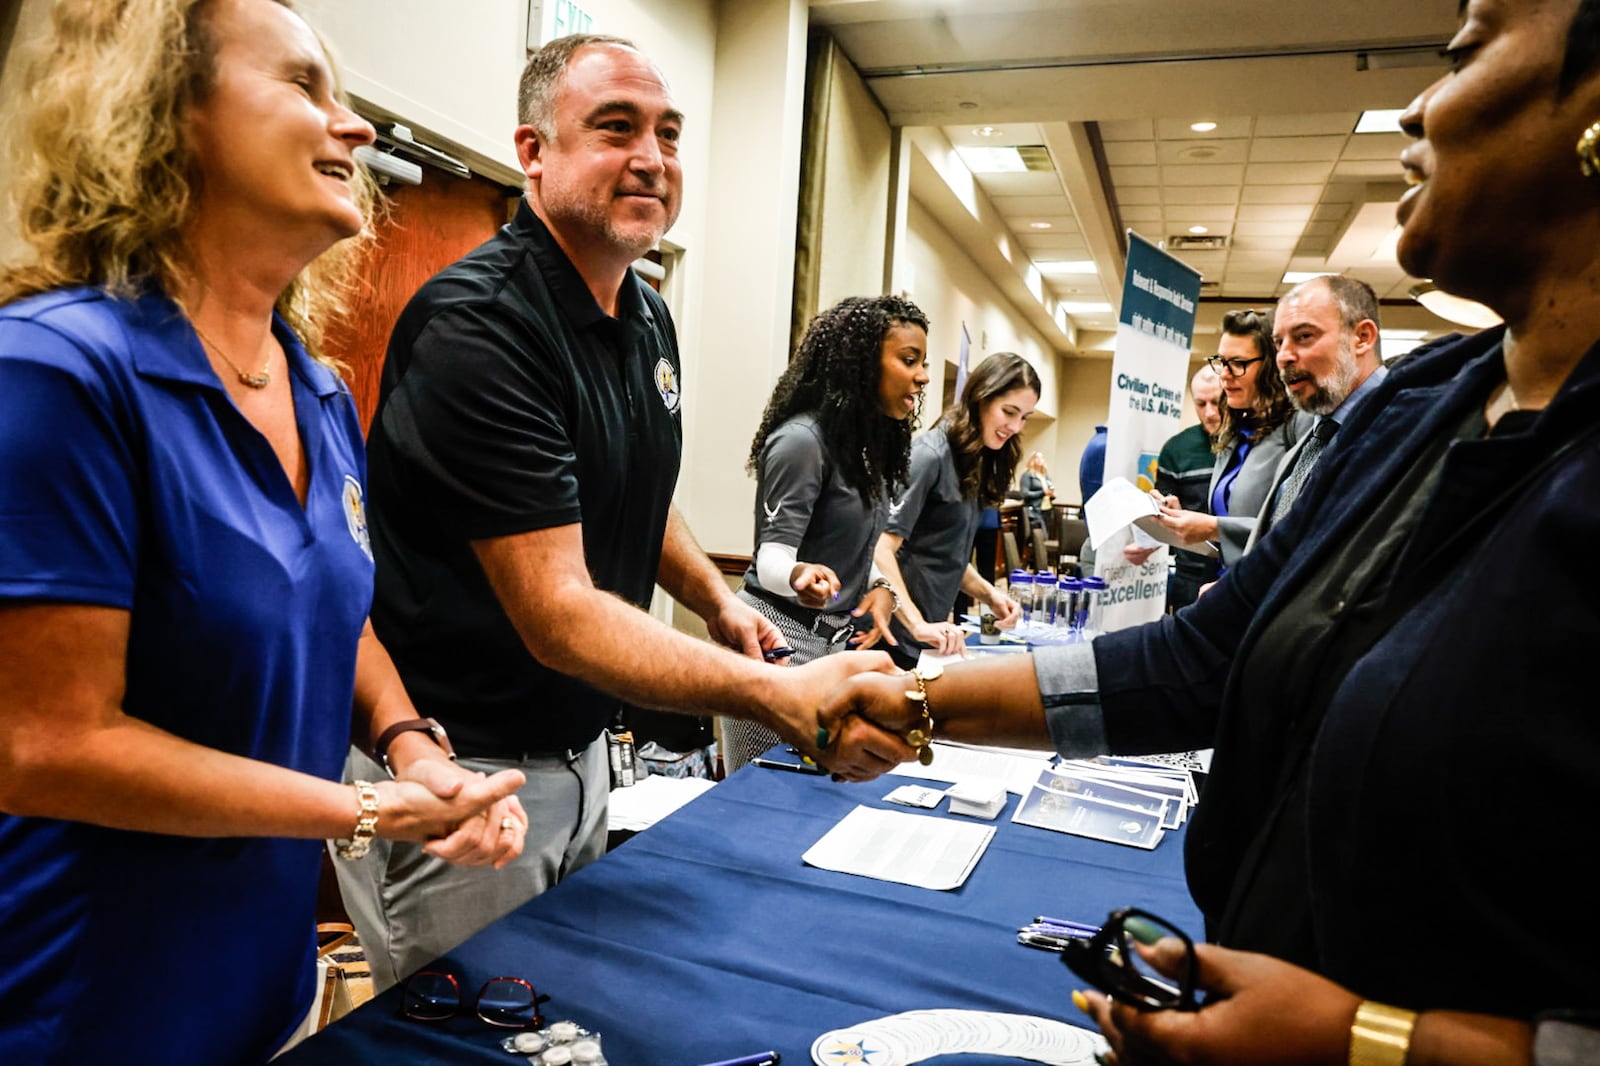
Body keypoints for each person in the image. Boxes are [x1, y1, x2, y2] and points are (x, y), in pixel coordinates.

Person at [821, 1, 1600, 1059]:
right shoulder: (1418, 405)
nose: (1415, 104)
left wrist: (1360, 1042)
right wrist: (919, 700)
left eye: (1462, 51)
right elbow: (1204, 656)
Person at [0, 2, 531, 1063]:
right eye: (305, 86)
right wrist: (364, 810)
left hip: (271, 993)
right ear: (168, 113)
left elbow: (334, 611)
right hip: (83, 1009)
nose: (359, 127)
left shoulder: (320, 390)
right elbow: (50, 745)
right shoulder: (56, 370)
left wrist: (412, 745)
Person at [343, 34, 908, 991]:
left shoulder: (645, 315)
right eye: (616, 129)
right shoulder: (479, 325)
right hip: (464, 779)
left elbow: (635, 491)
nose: (652, 157)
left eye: (669, 134)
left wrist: (720, 600)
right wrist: (777, 697)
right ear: (533, 150)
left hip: (583, 759)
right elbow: (558, 614)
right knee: (462, 1043)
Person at [723, 294, 929, 768]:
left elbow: (857, 546)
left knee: (818, 799)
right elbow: (771, 560)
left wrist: (878, 588)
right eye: (908, 360)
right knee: (763, 793)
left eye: (923, 362)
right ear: (860, 364)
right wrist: (798, 575)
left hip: (832, 643)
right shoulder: (801, 441)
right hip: (774, 642)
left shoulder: (868, 446)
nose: (922, 376)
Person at [872, 352, 1040, 666]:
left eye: (1025, 417)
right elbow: (880, 550)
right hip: (889, 638)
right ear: (981, 398)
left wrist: (989, 594)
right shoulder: (930, 455)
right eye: (1009, 412)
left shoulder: (975, 459)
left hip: (924, 640)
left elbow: (943, 551)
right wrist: (917, 623)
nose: (1016, 426)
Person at [1140, 308, 1309, 569]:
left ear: (1271, 365)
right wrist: (1183, 515)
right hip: (1232, 582)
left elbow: (1300, 526)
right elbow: (1232, 520)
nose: (1225, 375)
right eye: (1222, 362)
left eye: (1238, 363)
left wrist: (1212, 527)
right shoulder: (1235, 431)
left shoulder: (1300, 425)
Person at [1247, 274, 1387, 549]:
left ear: (1362, 337)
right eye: (1279, 343)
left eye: (1304, 336)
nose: (1284, 356)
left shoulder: (1406, 431)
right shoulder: (1311, 440)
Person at [1122, 365, 1224, 610]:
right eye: (1201, 404)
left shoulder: (1257, 444)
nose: (1210, 412)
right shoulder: (1177, 450)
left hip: (1240, 567)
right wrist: (1151, 538)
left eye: (1218, 402)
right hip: (1190, 573)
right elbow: (1163, 511)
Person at [1019, 450, 1055, 531]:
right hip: (1034, 510)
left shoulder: (1045, 475)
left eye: (1042, 457)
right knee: (1038, 536)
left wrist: (1052, 495)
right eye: (1037, 458)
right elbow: (1024, 494)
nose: (1040, 459)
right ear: (1032, 460)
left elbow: (1049, 490)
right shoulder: (1027, 475)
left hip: (1046, 509)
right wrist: (1042, 492)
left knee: (1046, 537)